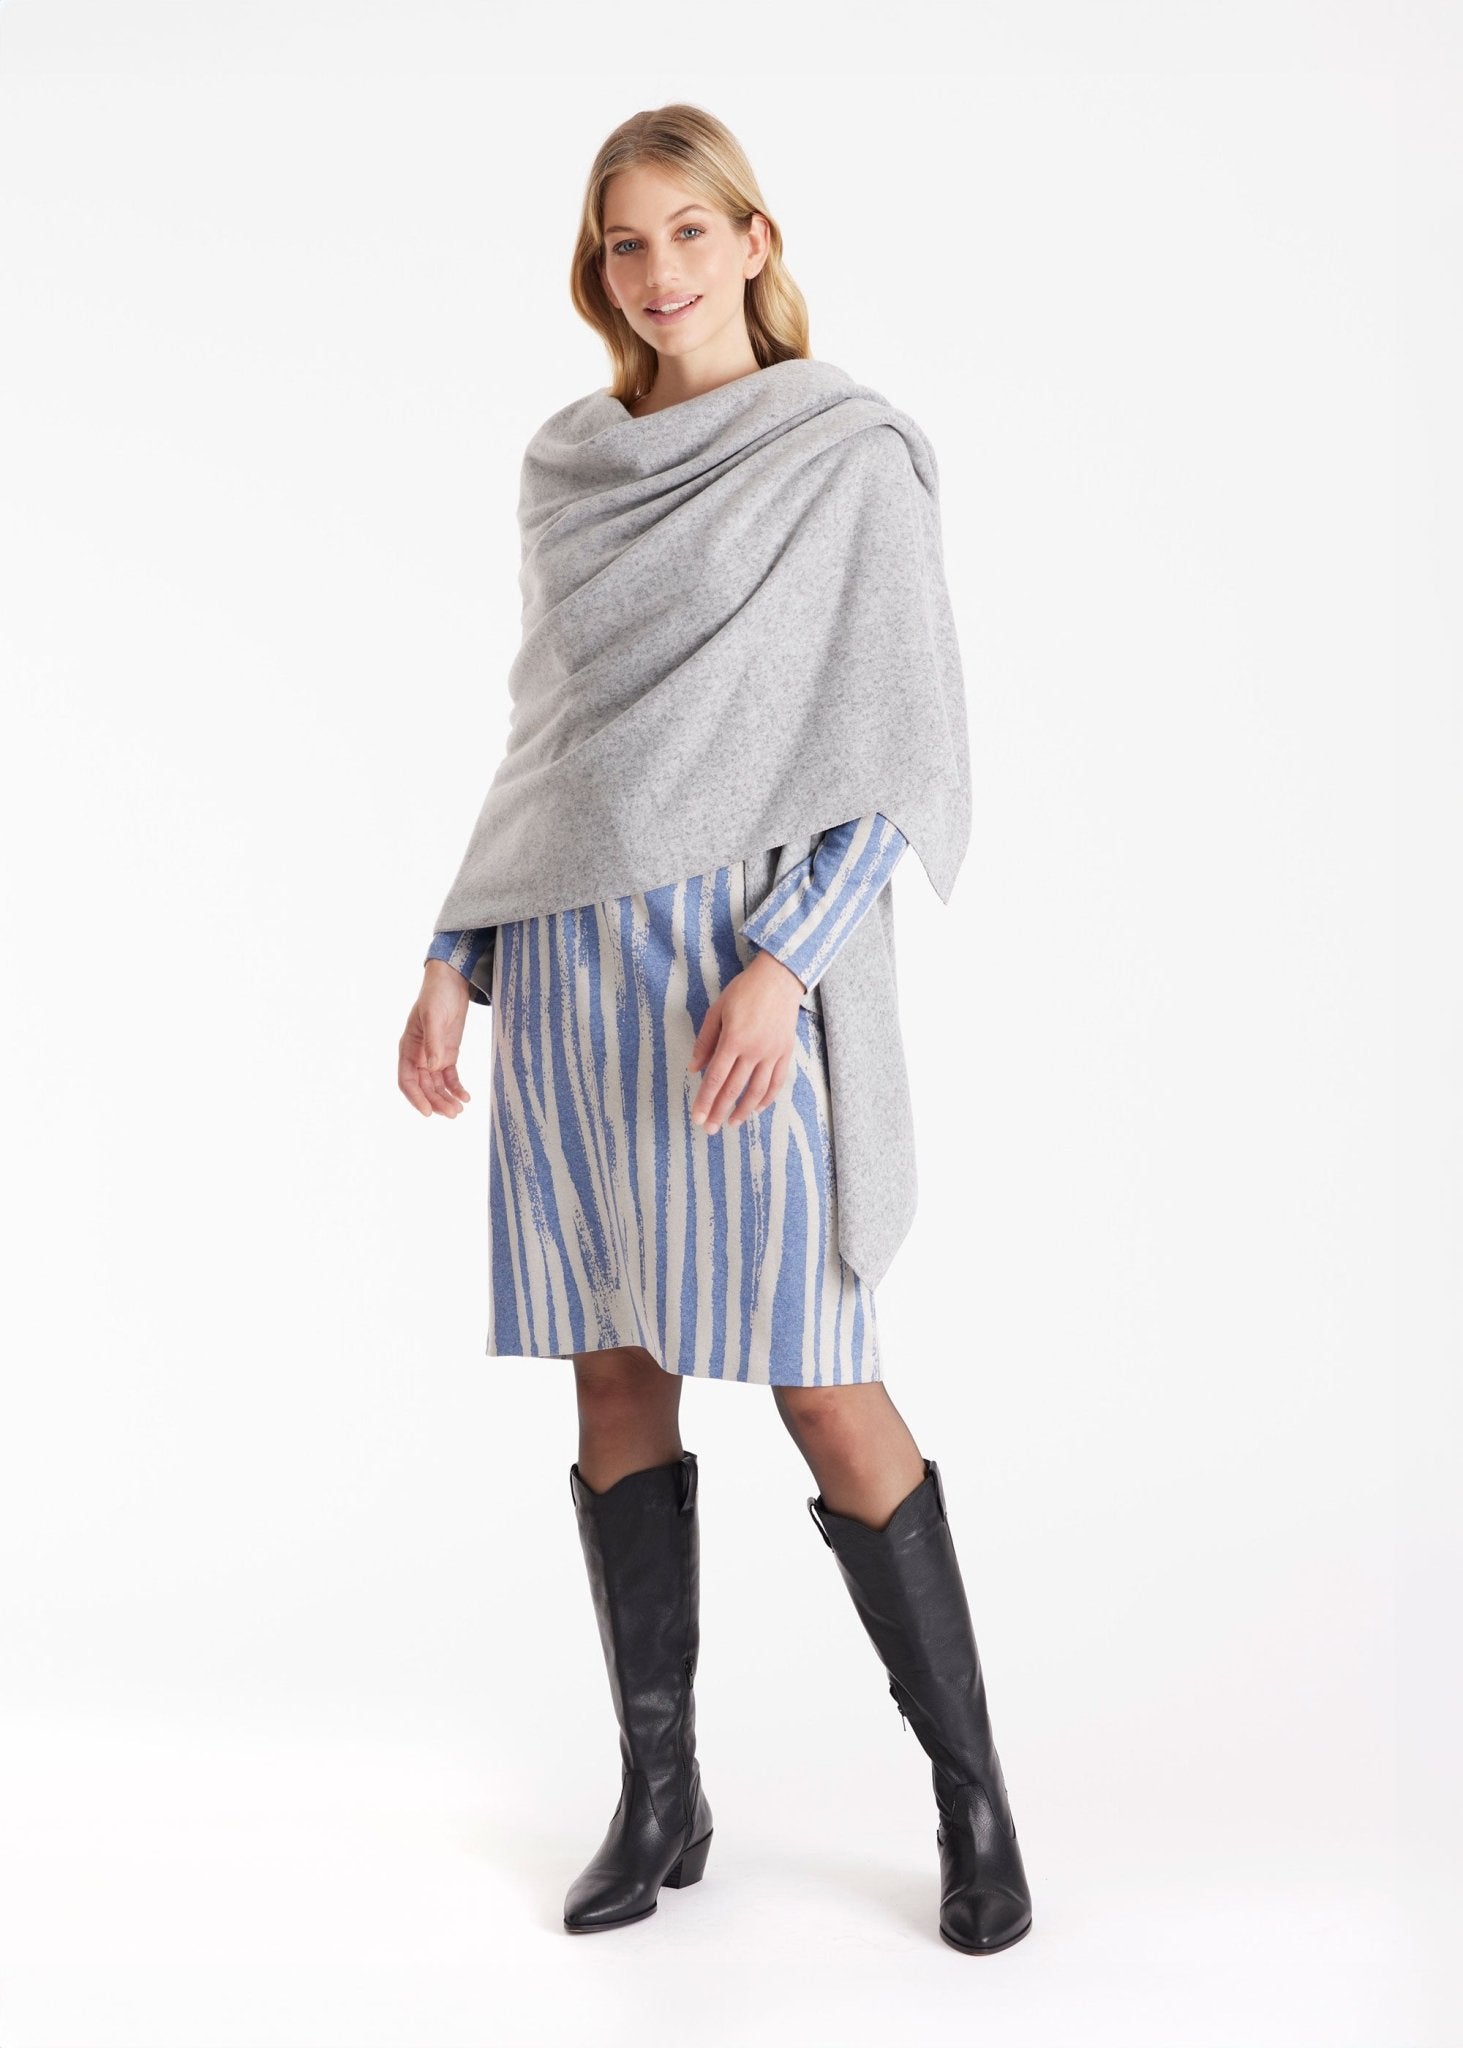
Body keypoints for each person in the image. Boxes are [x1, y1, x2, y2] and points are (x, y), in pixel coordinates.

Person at [397, 103, 1032, 1956]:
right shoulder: (572, 467)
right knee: (615, 1373)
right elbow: (551, 740)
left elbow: (902, 745)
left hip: (735, 982)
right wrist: (456, 950)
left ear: (755, 239)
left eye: (689, 231)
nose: (658, 271)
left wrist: (789, 962)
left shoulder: (845, 456)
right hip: (573, 982)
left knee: (823, 1383)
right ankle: (660, 1790)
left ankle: (974, 1799)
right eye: (625, 243)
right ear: (596, 271)